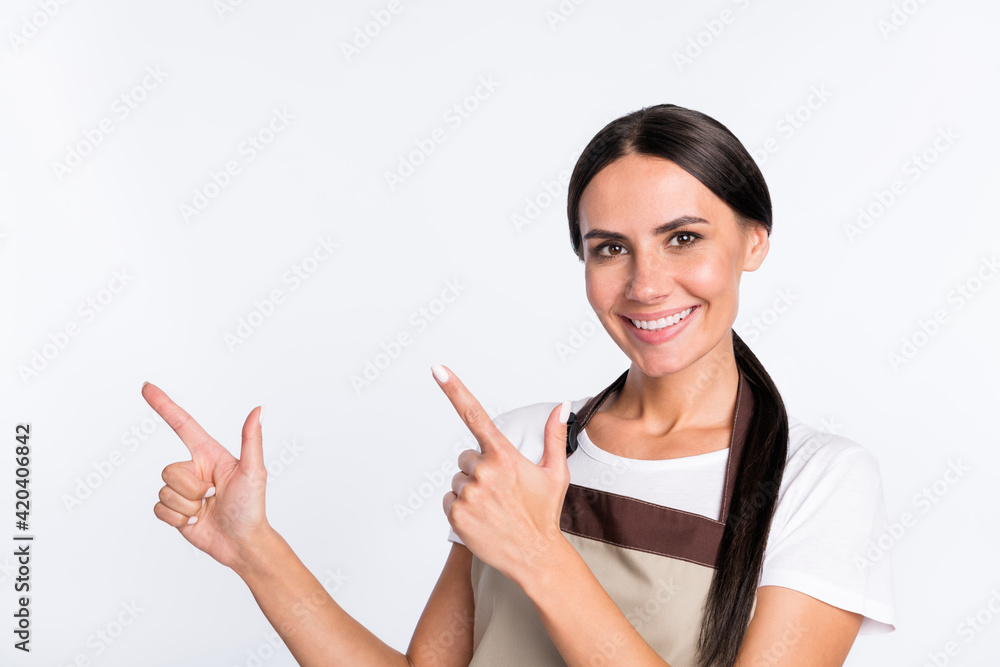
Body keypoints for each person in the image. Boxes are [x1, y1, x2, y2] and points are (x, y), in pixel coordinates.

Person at [146, 103, 895, 666]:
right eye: (610, 248)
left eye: (684, 237)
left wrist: (540, 552)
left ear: (754, 240)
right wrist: (253, 548)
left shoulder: (817, 480)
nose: (646, 282)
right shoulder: (528, 444)